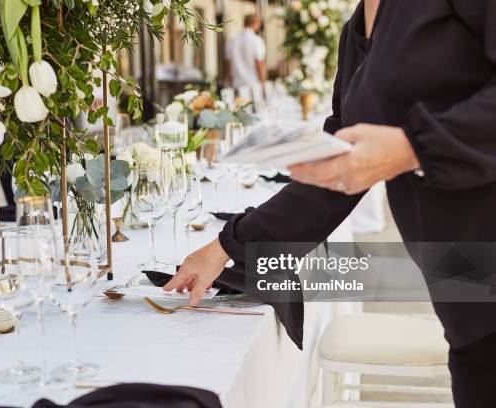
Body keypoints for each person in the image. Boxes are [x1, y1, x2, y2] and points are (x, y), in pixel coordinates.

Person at [165, 0, 496, 406]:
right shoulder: (356, 30)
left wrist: (413, 147)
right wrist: (225, 246)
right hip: (469, 297)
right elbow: (335, 173)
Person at [224, 14, 267, 91]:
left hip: (236, 85)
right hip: (253, 86)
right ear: (256, 23)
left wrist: (228, 82)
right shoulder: (257, 41)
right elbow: (259, 64)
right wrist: (263, 85)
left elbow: (228, 65)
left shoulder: (232, 41)